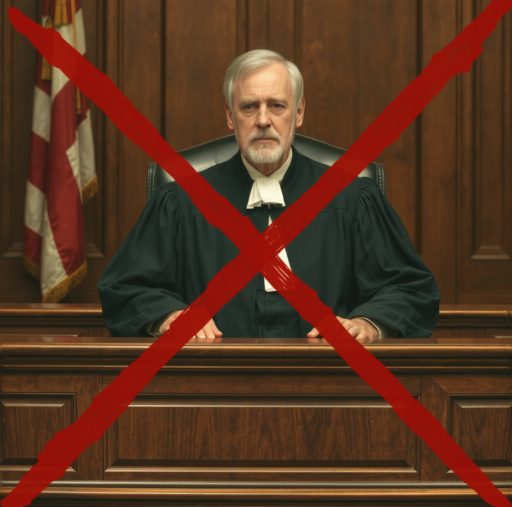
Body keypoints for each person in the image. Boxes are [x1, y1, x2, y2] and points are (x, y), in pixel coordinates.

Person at [98, 49, 440, 343]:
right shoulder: (180, 202)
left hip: (331, 387)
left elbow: (409, 288)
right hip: (210, 386)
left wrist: (367, 324)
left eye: (277, 105)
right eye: (249, 107)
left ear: (299, 112)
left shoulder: (352, 198)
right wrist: (169, 318)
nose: (263, 120)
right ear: (231, 117)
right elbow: (125, 288)